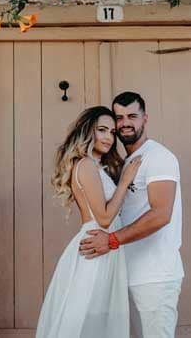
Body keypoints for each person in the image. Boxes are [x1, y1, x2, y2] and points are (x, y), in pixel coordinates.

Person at [79, 91, 183, 338]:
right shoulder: (127, 162)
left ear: (145, 118)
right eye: (119, 117)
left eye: (132, 116)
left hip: (155, 275)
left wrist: (112, 240)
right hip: (128, 272)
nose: (125, 122)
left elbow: (161, 214)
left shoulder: (158, 157)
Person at [36, 106, 143, 338]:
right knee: (88, 318)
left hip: (105, 246)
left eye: (112, 132)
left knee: (100, 318)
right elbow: (104, 218)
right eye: (101, 130)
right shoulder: (84, 165)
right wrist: (124, 181)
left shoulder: (96, 166)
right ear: (87, 131)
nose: (108, 137)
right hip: (96, 244)